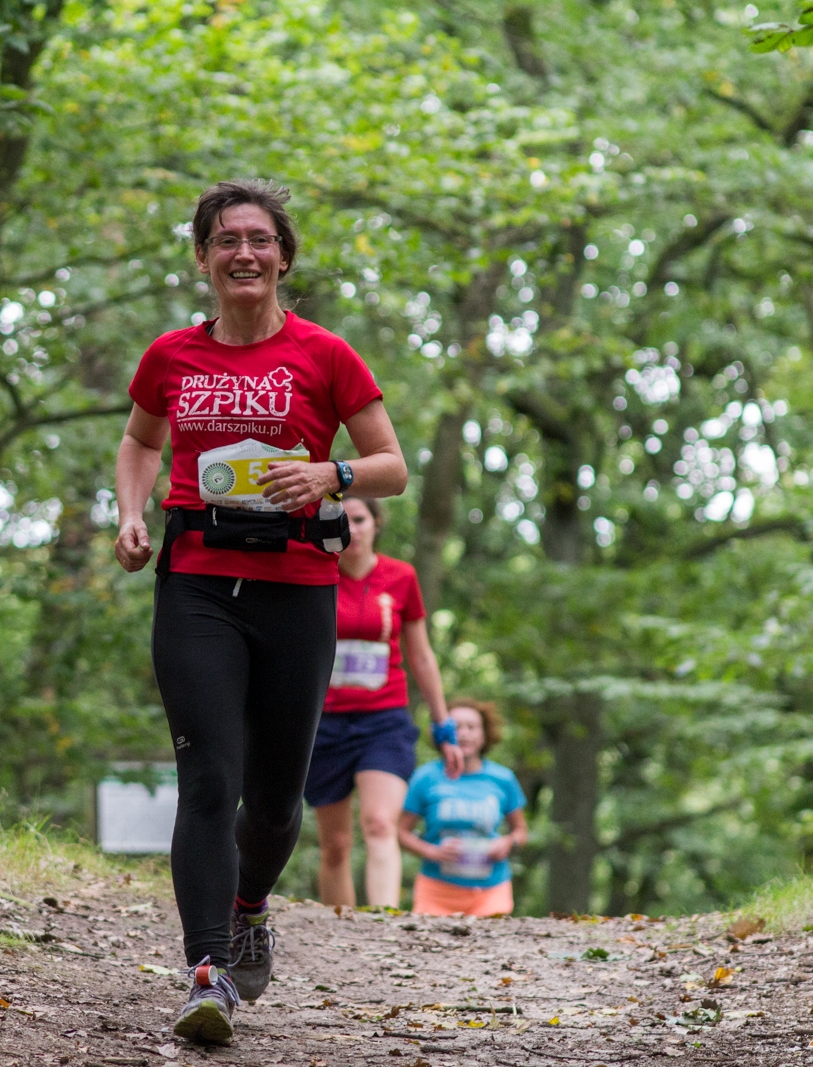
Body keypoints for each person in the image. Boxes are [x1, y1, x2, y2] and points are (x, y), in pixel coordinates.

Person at [113, 179, 408, 1045]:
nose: (244, 253)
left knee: (277, 803)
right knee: (209, 777)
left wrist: (331, 474)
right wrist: (130, 515)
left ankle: (249, 907)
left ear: (283, 256)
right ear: (203, 257)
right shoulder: (171, 355)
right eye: (225, 239)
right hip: (197, 579)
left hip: (297, 588)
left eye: (260, 239)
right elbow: (139, 440)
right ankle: (208, 971)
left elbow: (390, 462)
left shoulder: (325, 354)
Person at [307, 496, 462, 909]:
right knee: (336, 845)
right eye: (342, 520)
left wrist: (443, 727)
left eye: (359, 519)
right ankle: (342, 932)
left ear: (376, 524)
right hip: (323, 723)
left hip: (384, 720)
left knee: (379, 824)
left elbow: (422, 657)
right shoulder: (313, 573)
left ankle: (383, 927)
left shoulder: (401, 577)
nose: (352, 529)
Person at [398, 699, 529, 917]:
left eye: (472, 727)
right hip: (436, 891)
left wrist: (507, 842)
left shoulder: (503, 779)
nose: (464, 734)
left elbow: (521, 832)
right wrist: (432, 852)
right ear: (443, 733)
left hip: (491, 890)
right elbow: (401, 832)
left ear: (484, 733)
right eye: (456, 727)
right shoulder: (426, 777)